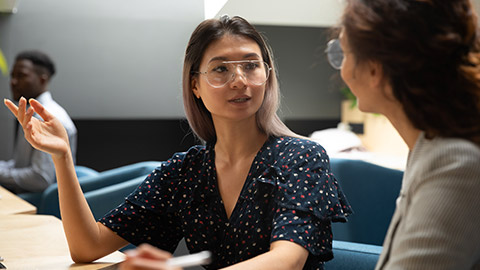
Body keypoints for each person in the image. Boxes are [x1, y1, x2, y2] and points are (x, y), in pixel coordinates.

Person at [4, 16, 352, 270]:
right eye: (220, 69)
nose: (239, 80)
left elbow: (287, 261)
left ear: (267, 75)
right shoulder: (186, 171)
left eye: (251, 65)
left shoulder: (302, 157)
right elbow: (87, 246)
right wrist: (62, 159)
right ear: (195, 85)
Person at [325, 0, 480, 269]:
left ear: (374, 68)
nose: (343, 70)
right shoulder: (428, 146)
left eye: (345, 54)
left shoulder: (455, 163)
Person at [0, 50, 77, 194]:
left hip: (40, 202)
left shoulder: (46, 118)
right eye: (12, 76)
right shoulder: (30, 111)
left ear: (42, 80)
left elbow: (40, 178)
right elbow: (20, 165)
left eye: (21, 76)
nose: (13, 82)